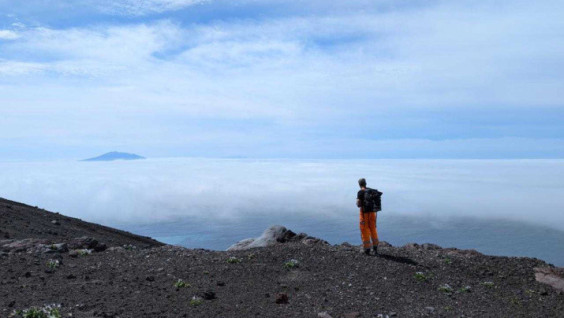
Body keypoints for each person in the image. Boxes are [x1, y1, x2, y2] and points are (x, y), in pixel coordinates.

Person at [356, 178, 379, 255]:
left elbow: (358, 204)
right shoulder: (371, 191)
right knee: (373, 229)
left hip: (364, 213)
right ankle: (375, 248)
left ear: (359, 184)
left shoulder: (360, 192)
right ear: (366, 183)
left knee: (364, 229)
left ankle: (367, 249)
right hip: (372, 213)